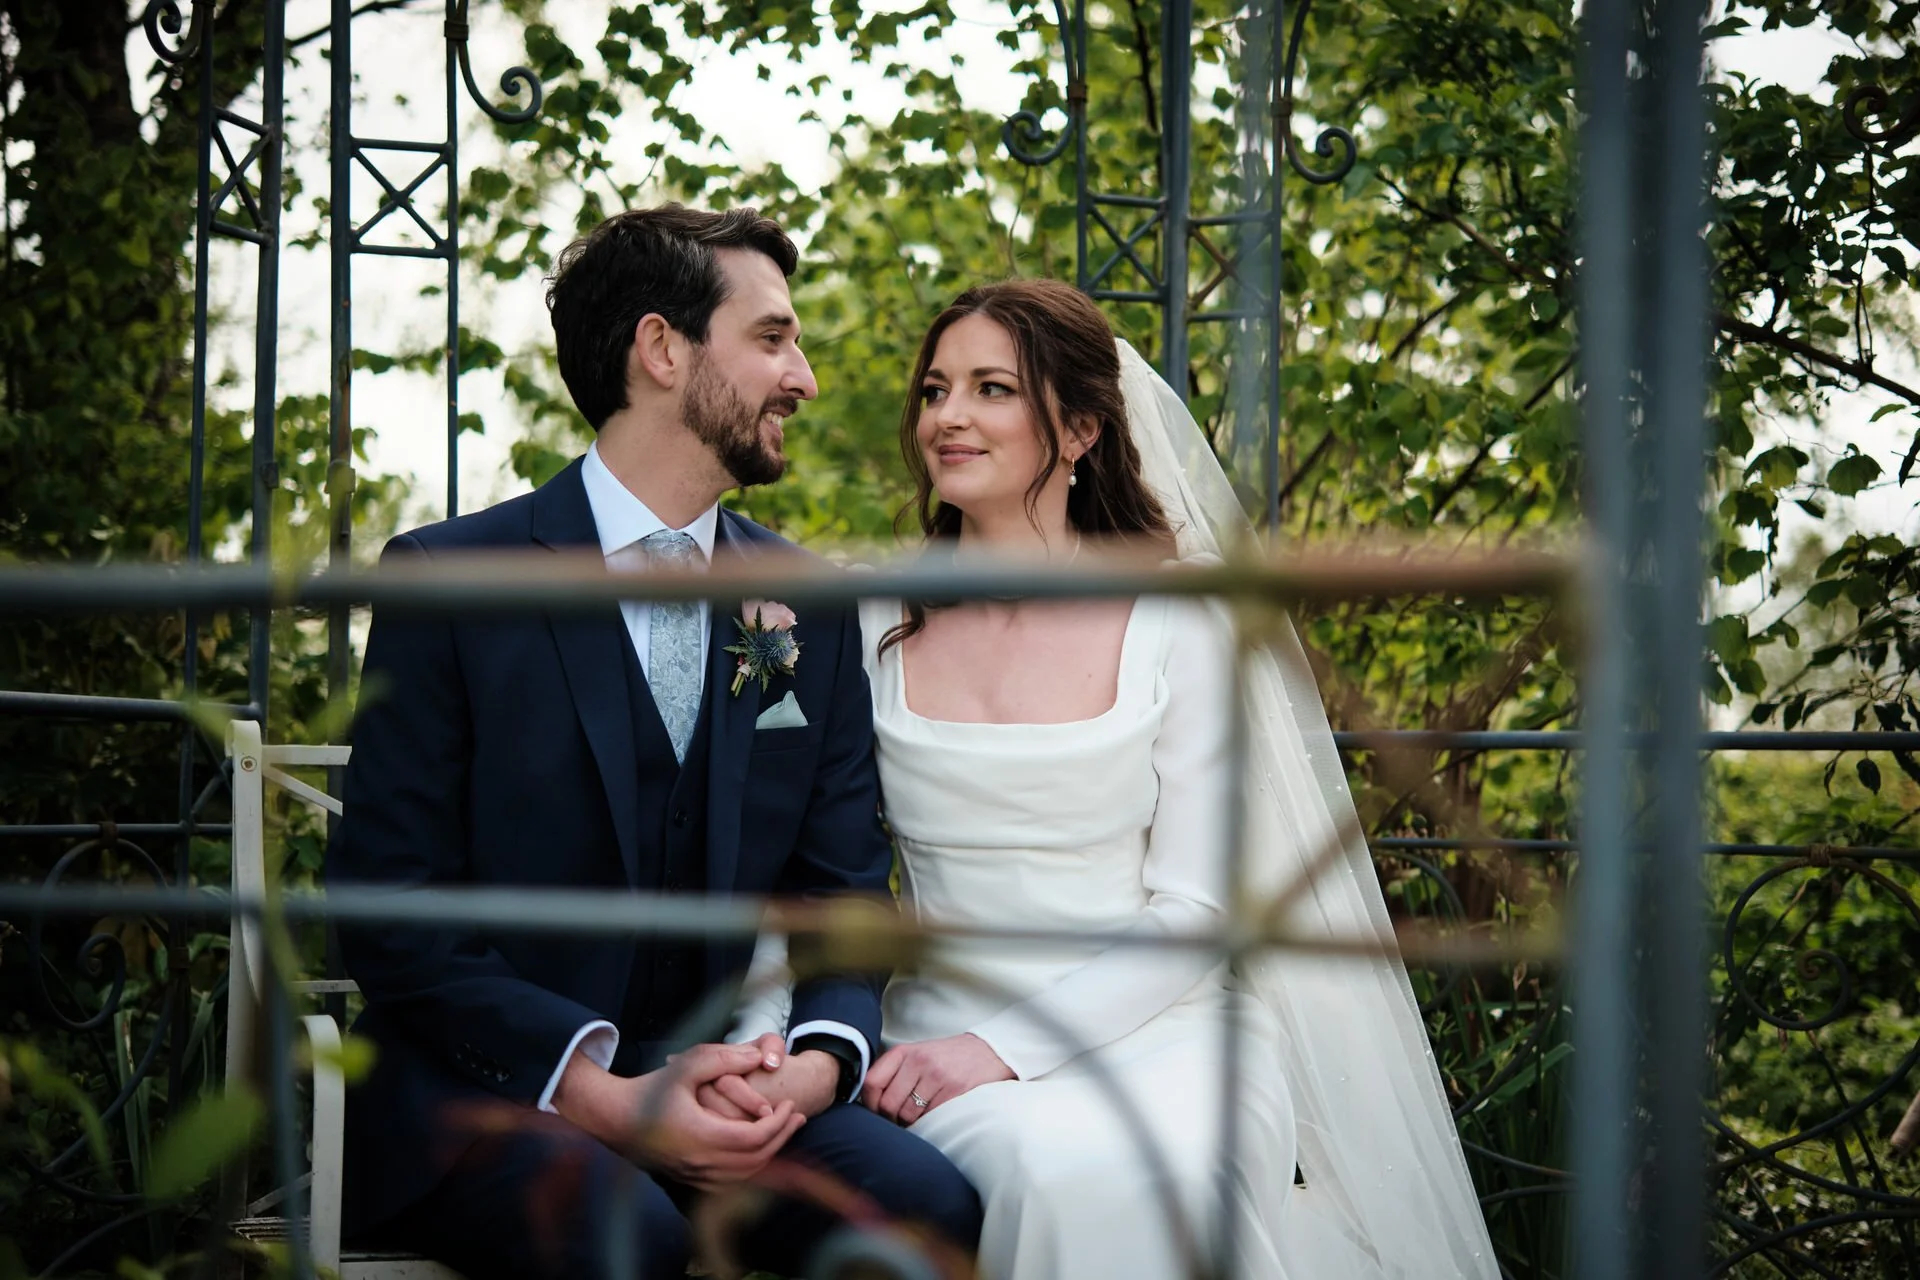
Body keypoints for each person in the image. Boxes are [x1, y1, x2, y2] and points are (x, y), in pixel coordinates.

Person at [736, 278, 1499, 1278]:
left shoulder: (1180, 619)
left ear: (1084, 427)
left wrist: (999, 1050)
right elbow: (785, 848)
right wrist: (772, 1041)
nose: (949, 416)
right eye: (935, 389)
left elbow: (1193, 909)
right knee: (1056, 1171)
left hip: (1163, 1033)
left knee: (1137, 1172)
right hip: (930, 1031)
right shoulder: (861, 617)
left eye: (992, 388)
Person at [326, 204, 981, 1279]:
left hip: (731, 1086)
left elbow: (845, 892)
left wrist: (808, 1071)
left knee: (922, 1204)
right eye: (772, 337)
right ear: (662, 349)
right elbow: (392, 910)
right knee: (631, 1238)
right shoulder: (455, 580)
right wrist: (606, 1092)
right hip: (499, 1095)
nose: (804, 376)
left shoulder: (804, 607)